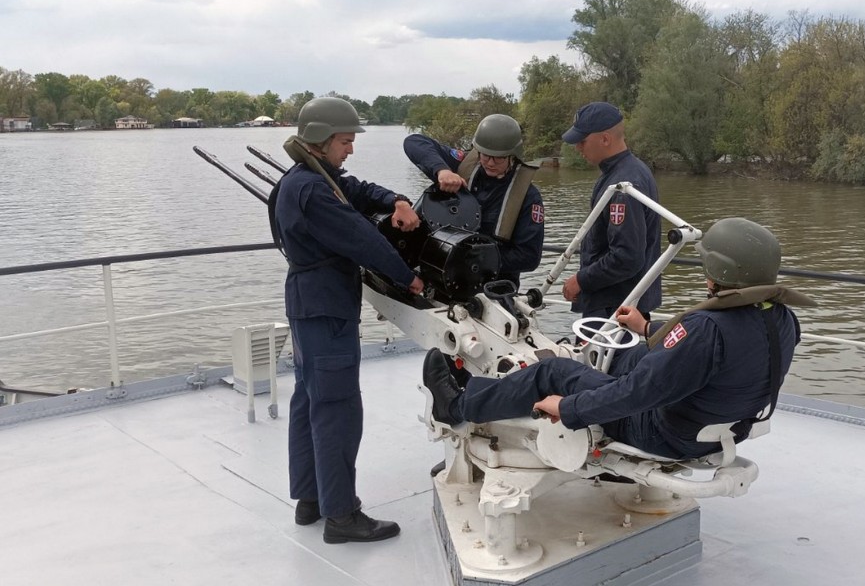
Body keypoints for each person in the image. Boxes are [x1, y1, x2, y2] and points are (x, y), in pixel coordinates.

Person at [421, 218, 812, 460]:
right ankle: (577, 372)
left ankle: (458, 405)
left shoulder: (705, 330)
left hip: (664, 434)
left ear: (714, 271)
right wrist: (647, 330)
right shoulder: (783, 319)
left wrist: (571, 407)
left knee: (555, 370)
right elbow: (703, 362)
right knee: (623, 355)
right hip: (721, 429)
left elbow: (638, 395)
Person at [272, 97, 425, 544]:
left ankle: (311, 499)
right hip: (326, 307)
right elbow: (360, 236)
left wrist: (395, 199)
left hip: (307, 305)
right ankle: (341, 516)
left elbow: (355, 189)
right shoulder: (314, 191)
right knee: (338, 408)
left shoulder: (305, 178)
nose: (350, 149)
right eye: (345, 141)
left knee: (309, 399)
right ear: (320, 140)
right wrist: (409, 278)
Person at [404, 114, 544, 288]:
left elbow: (529, 257)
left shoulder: (528, 197)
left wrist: (474, 257)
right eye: (485, 155)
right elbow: (413, 142)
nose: (490, 163)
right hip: (444, 274)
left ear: (513, 156)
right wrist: (442, 171)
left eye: (498, 158)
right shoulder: (464, 165)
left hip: (492, 284)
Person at [559, 102, 662, 322]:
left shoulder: (624, 185)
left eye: (582, 141)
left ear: (605, 139)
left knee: (602, 358)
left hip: (614, 310)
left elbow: (627, 257)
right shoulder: (628, 172)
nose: (578, 148)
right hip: (620, 305)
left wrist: (581, 280)